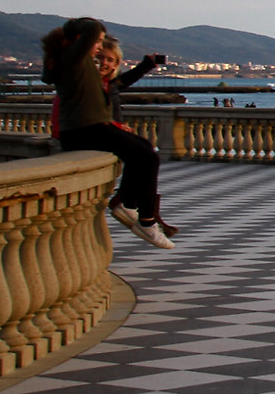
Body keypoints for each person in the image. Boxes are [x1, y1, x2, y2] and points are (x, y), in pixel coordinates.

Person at [41, 18, 176, 249]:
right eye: (97, 42)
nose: (98, 47)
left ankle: (129, 204)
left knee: (144, 148)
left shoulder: (79, 64)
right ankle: (146, 220)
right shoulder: (74, 59)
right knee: (148, 157)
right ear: (79, 40)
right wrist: (78, 28)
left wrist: (146, 65)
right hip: (86, 130)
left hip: (90, 128)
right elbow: (91, 28)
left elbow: (119, 82)